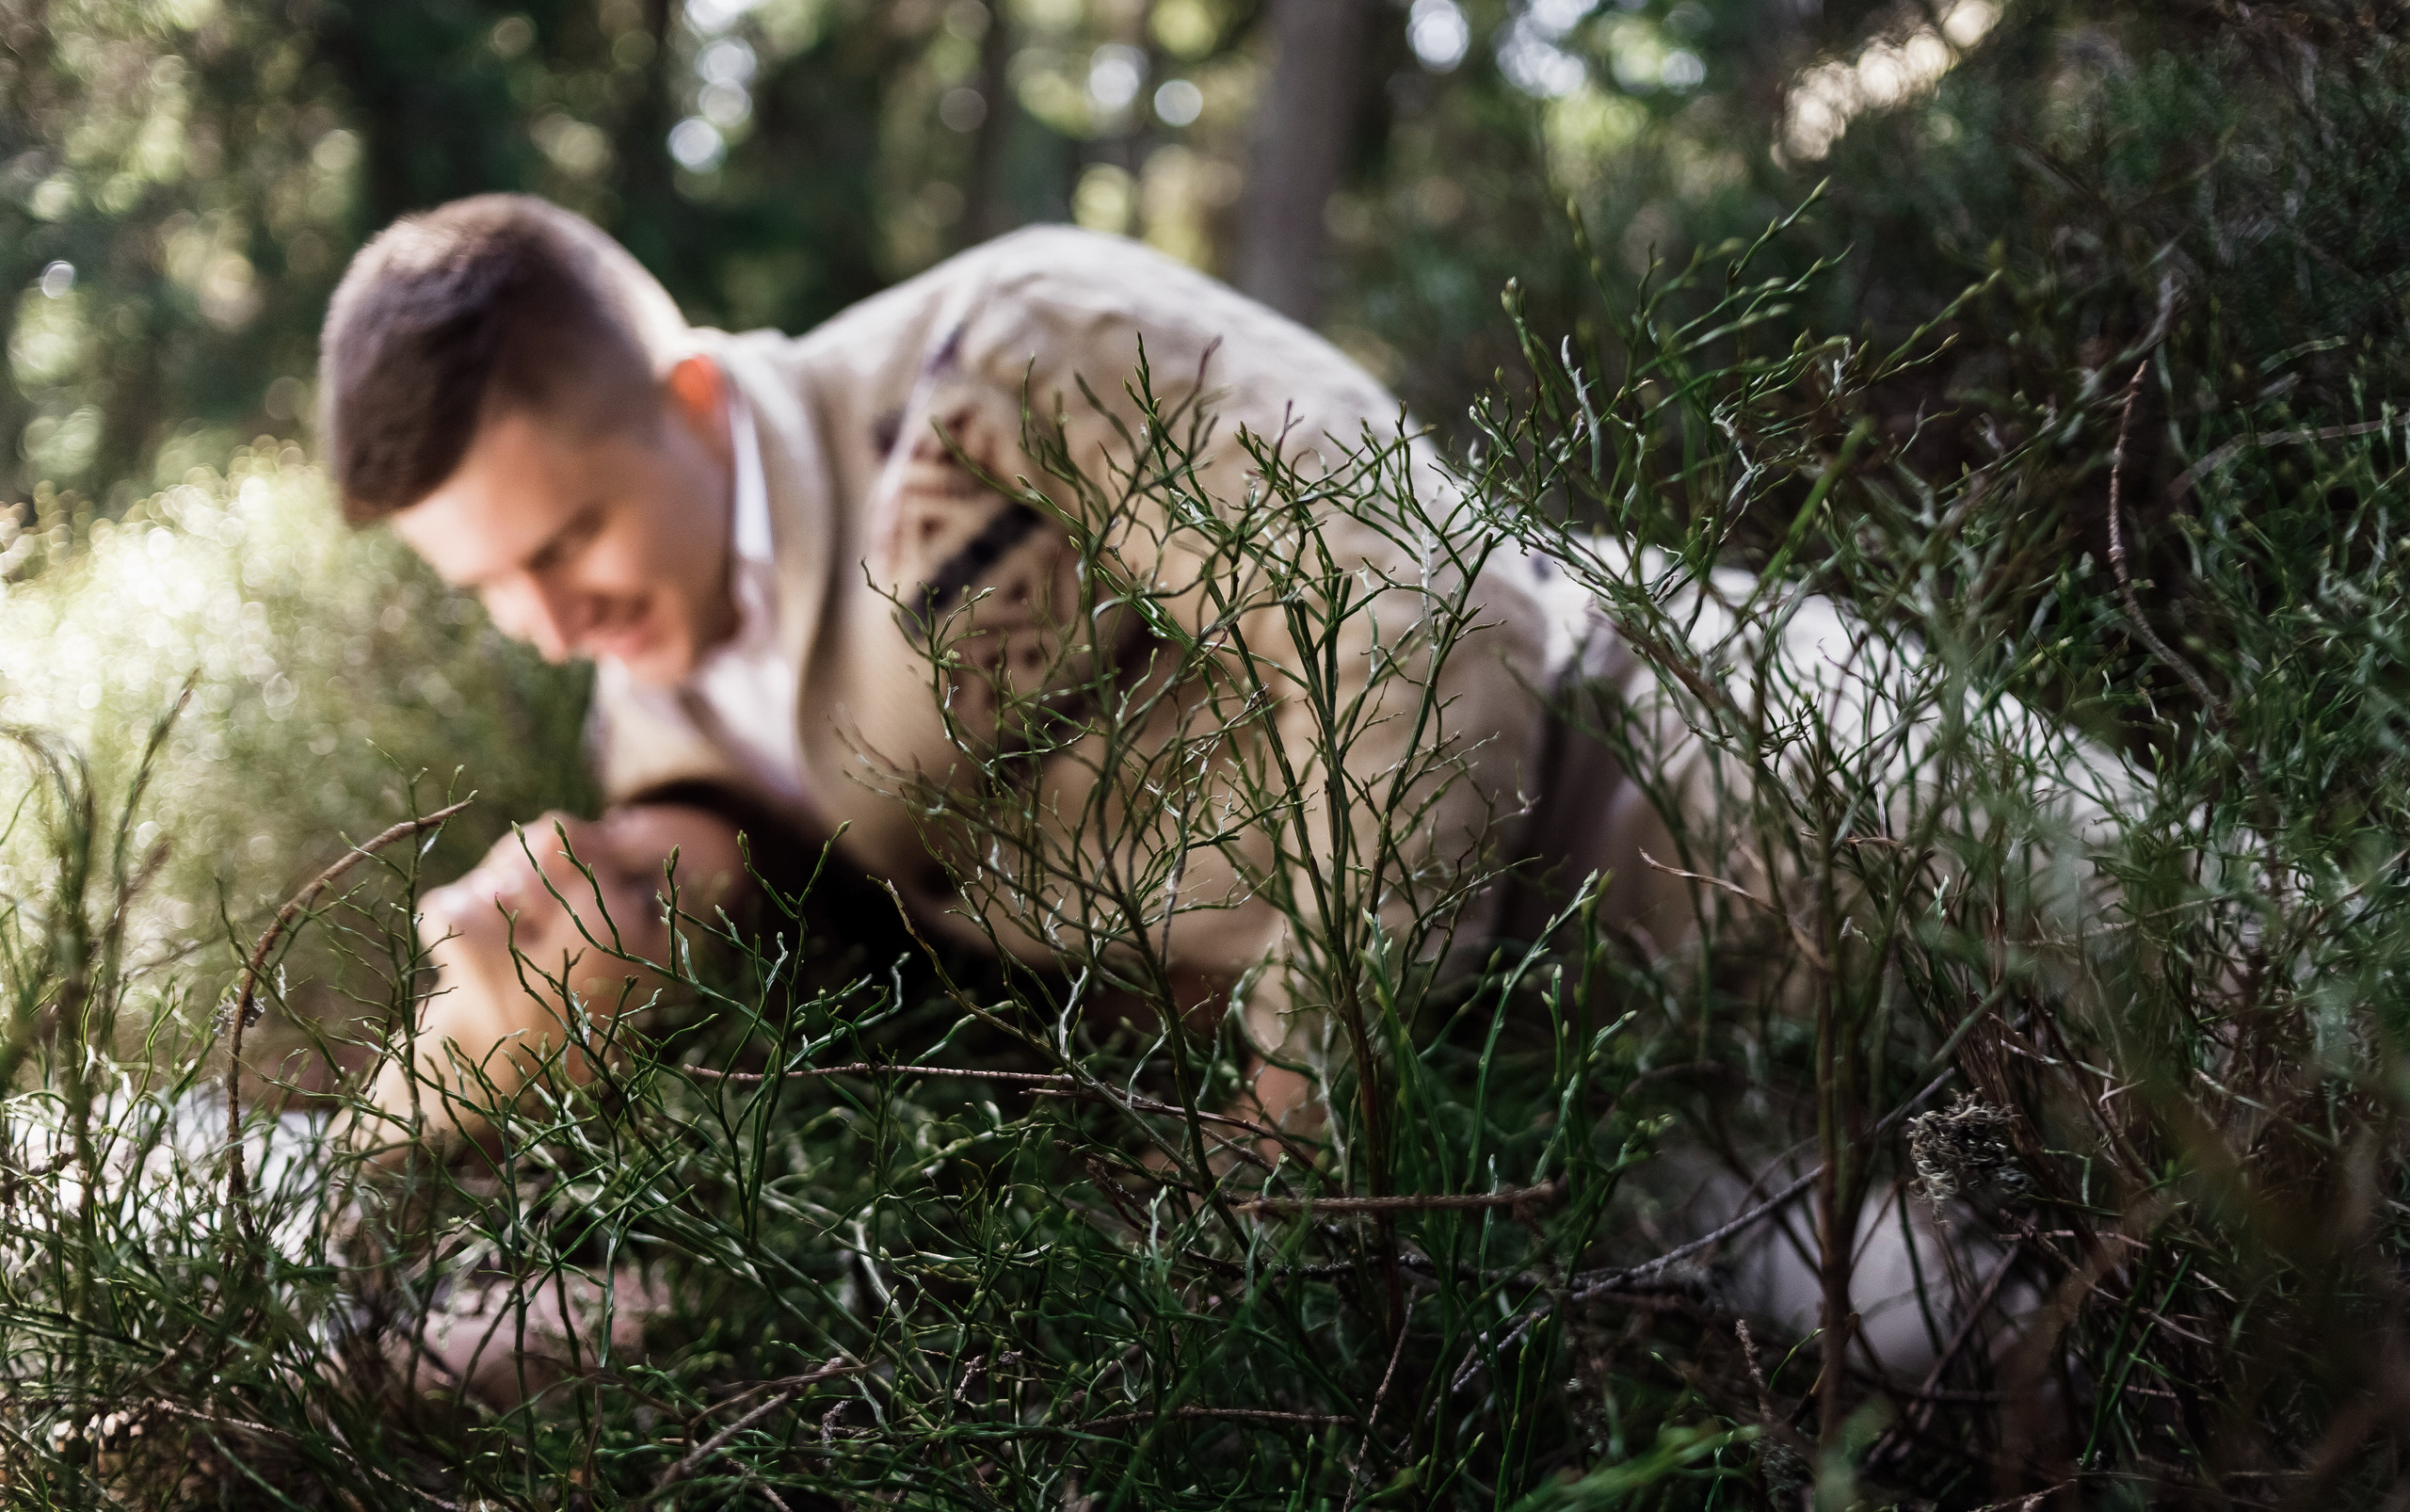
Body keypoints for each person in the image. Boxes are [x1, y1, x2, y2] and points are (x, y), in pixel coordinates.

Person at [318, 193, 1653, 1145]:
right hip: (1545, 1093)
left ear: (696, 402)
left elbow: (1425, 611)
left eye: (569, 543)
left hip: (1676, 810)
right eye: (489, 585)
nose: (550, 626)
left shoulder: (1015, 348)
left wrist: (1299, 1105)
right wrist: (422, 1092)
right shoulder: (647, 722)